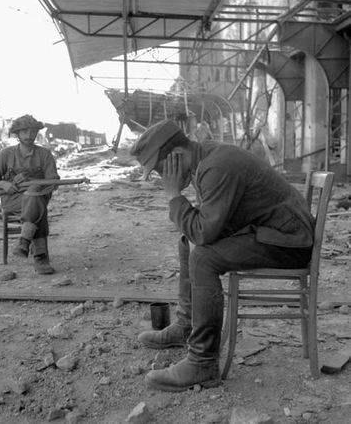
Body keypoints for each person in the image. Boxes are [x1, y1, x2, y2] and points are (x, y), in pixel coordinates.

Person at [130, 119, 314, 392]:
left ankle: (202, 362)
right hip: (272, 231)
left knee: (203, 257)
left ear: (177, 156)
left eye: (160, 171)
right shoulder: (206, 158)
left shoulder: (216, 167)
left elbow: (204, 233)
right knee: (187, 242)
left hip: (289, 242)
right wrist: (183, 206)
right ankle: (187, 325)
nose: (161, 178)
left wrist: (173, 195)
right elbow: (202, 228)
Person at [0, 115, 60, 275]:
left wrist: (36, 185)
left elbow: (53, 183)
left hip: (38, 197)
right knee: (37, 208)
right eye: (24, 132)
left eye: (32, 131)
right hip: (13, 200)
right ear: (17, 134)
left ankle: (24, 241)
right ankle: (40, 259)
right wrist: (4, 184)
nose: (29, 136)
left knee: (34, 195)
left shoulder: (45, 155)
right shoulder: (6, 154)